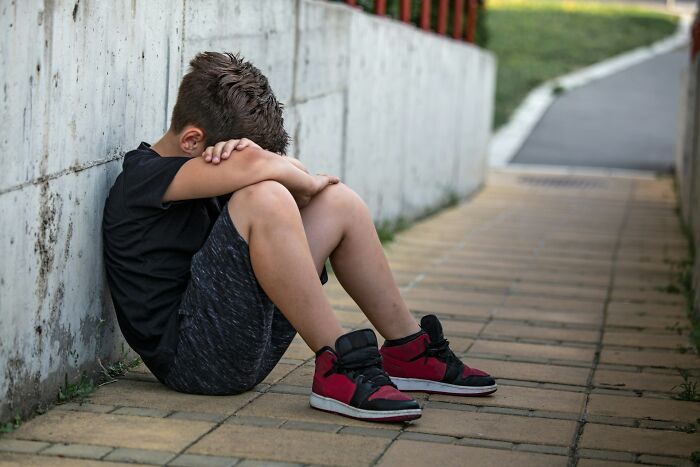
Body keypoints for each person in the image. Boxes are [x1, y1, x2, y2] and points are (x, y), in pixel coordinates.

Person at [103, 52, 496, 422]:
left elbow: (273, 170)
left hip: (247, 337)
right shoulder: (141, 179)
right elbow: (270, 177)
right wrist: (293, 178)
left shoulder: (205, 169)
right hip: (196, 362)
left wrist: (283, 172)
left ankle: (409, 349)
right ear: (191, 142)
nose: (240, 162)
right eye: (232, 153)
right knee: (265, 195)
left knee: (339, 202)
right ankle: (339, 361)